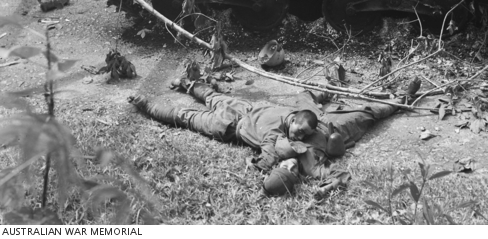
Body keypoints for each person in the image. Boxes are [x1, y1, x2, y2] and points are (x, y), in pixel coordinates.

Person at [129, 77, 420, 179]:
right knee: (203, 103)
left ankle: (145, 102)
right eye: (299, 132)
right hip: (236, 117)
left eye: (305, 134)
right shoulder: (286, 127)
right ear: (293, 120)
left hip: (237, 118)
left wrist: (323, 95)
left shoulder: (302, 124)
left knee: (188, 115)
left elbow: (315, 100)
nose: (300, 135)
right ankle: (181, 87)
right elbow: (270, 155)